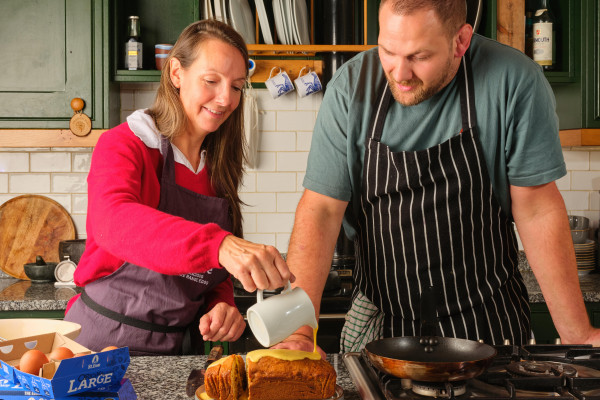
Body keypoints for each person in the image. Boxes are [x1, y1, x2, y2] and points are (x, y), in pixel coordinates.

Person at [275, 0, 600, 354]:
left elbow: (536, 209)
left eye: (419, 56)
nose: (400, 73)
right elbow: (321, 209)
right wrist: (298, 332)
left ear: (461, 41)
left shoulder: (514, 80)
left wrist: (577, 334)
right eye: (388, 50)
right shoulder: (351, 87)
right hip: (382, 325)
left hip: (487, 325)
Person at [64, 19, 291, 356]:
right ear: (176, 74)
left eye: (238, 86)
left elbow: (210, 273)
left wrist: (221, 303)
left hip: (179, 352)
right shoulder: (125, 144)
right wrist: (221, 245)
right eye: (211, 81)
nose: (226, 98)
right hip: (100, 345)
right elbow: (114, 223)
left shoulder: (216, 167)